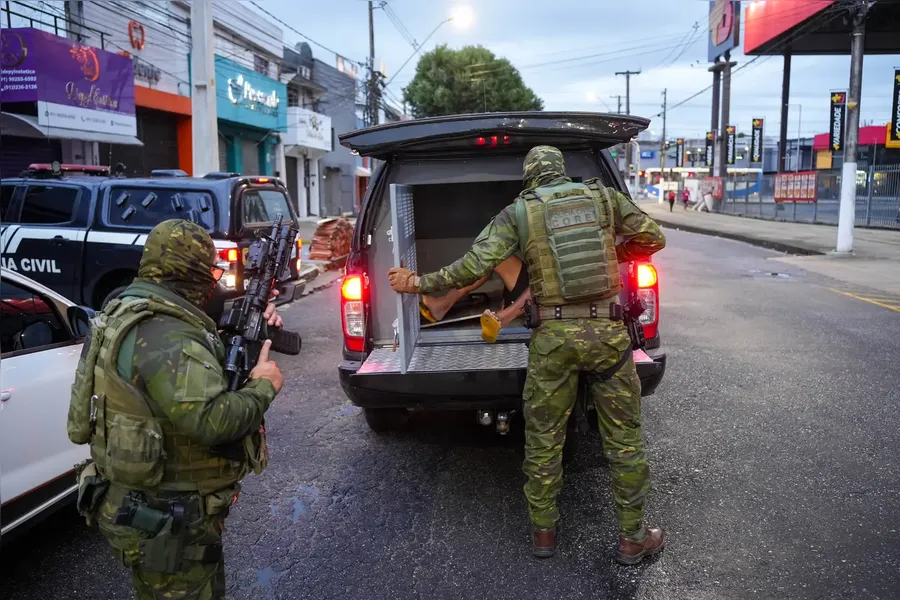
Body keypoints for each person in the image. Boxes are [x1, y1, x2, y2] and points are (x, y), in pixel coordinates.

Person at [387, 145, 668, 564]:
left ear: (531, 177)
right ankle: (633, 538)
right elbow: (653, 237)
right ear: (561, 172)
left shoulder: (519, 211)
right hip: (608, 337)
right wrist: (614, 251)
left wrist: (418, 282)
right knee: (623, 441)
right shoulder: (604, 199)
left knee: (543, 439)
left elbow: (471, 265)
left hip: (552, 341)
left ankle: (544, 534)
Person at [67, 219, 284, 599]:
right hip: (170, 519)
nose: (214, 284)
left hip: (148, 508)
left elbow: (182, 372)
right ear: (193, 274)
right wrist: (265, 384)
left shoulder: (127, 309)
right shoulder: (166, 334)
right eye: (211, 273)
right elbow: (212, 421)